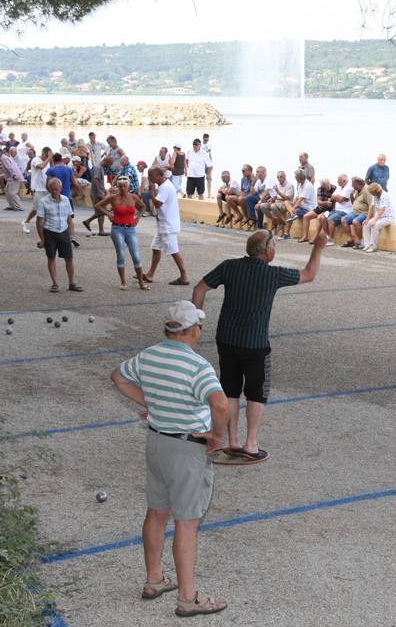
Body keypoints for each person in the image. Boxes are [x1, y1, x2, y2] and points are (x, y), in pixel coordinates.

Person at [110, 301, 229, 618]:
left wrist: (152, 402)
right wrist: (217, 436)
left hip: (156, 443)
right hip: (186, 450)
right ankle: (188, 598)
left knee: (157, 512)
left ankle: (154, 580)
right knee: (187, 523)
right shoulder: (198, 366)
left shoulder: (148, 355)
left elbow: (118, 377)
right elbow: (220, 406)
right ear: (192, 331)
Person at [191, 229, 327, 460]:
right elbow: (309, 274)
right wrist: (318, 247)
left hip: (226, 339)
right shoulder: (273, 274)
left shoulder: (229, 266)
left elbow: (199, 289)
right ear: (266, 250)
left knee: (230, 390)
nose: (275, 248)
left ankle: (233, 441)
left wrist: (196, 323)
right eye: (274, 244)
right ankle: (251, 444)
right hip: (255, 344)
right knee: (256, 394)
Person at [96, 176, 148, 290]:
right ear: (118, 187)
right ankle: (123, 282)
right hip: (117, 228)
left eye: (125, 186)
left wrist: (138, 218)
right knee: (121, 255)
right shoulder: (114, 198)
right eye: (121, 186)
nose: (123, 188)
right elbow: (98, 205)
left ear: (128, 186)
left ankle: (141, 282)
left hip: (130, 228)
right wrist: (109, 214)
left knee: (136, 255)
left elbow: (143, 206)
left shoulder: (133, 197)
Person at [143, 166, 191, 286]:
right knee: (156, 248)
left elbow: (158, 204)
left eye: (151, 176)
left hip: (168, 225)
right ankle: (150, 274)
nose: (149, 178)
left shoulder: (165, 187)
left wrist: (152, 191)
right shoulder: (163, 186)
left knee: (173, 250)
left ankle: (184, 276)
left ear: (157, 175)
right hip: (162, 224)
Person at [35, 178, 82, 293]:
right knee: (51, 258)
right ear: (49, 189)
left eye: (56, 189)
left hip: (63, 231)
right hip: (50, 231)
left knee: (69, 258)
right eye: (52, 189)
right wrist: (42, 239)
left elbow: (69, 218)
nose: (55, 191)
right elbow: (39, 221)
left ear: (61, 188)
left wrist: (71, 235)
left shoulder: (65, 200)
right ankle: (55, 283)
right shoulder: (43, 201)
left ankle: (72, 282)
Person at [22, 147, 53, 233]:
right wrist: (49, 158)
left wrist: (51, 161)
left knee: (47, 208)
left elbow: (51, 170)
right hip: (38, 188)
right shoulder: (35, 160)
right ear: (43, 154)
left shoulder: (47, 161)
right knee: (36, 208)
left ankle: (45, 225)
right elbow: (41, 166)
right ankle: (26, 222)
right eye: (47, 156)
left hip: (46, 188)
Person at [81, 156, 112, 236]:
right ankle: (101, 230)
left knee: (100, 210)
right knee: (101, 211)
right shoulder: (98, 168)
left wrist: (103, 189)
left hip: (99, 191)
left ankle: (88, 221)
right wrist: (98, 192)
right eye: (110, 164)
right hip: (96, 192)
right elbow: (95, 180)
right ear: (106, 162)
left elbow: (99, 180)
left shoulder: (99, 167)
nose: (109, 166)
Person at [282, 169, 315, 240]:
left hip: (306, 208)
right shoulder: (300, 185)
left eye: (295, 177)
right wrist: (295, 199)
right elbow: (298, 196)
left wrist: (294, 207)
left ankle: (287, 231)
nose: (295, 178)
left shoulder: (308, 186)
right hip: (301, 205)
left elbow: (301, 199)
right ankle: (292, 215)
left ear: (299, 178)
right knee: (286, 202)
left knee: (288, 213)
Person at [299, 178, 334, 243]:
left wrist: (325, 203)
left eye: (329, 184)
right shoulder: (320, 189)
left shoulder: (334, 188)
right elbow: (319, 202)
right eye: (326, 185)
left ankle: (315, 237)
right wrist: (326, 202)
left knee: (319, 218)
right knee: (306, 216)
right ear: (322, 186)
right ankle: (305, 236)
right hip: (320, 207)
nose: (329, 186)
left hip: (329, 209)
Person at [362, 183, 394, 252]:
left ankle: (373, 246)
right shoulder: (375, 196)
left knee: (375, 225)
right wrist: (367, 219)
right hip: (381, 217)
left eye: (371, 192)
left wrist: (375, 220)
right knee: (366, 224)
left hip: (388, 217)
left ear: (375, 192)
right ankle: (367, 244)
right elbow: (371, 207)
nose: (370, 193)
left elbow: (383, 209)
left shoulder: (384, 196)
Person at [245, 166, 279, 230]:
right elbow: (253, 193)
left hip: (270, 199)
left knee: (260, 206)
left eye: (258, 172)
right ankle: (252, 217)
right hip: (262, 199)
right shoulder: (259, 181)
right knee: (249, 197)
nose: (256, 173)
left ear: (263, 173)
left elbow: (266, 192)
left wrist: (259, 203)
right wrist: (252, 182)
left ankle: (259, 226)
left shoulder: (269, 179)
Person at [323, 174, 353, 244]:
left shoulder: (348, 188)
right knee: (322, 218)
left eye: (339, 180)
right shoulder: (339, 187)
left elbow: (340, 200)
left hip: (345, 211)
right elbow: (332, 197)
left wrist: (339, 198)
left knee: (330, 219)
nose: (337, 182)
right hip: (336, 210)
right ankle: (327, 238)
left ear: (344, 181)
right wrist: (339, 197)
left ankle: (331, 240)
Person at [343, 177, 372, 248]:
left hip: (364, 213)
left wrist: (368, 218)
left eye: (353, 184)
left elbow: (371, 206)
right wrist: (351, 195)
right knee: (344, 220)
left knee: (355, 221)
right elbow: (354, 203)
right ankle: (350, 240)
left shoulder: (366, 191)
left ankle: (360, 241)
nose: (352, 186)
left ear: (357, 184)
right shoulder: (357, 190)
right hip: (356, 212)